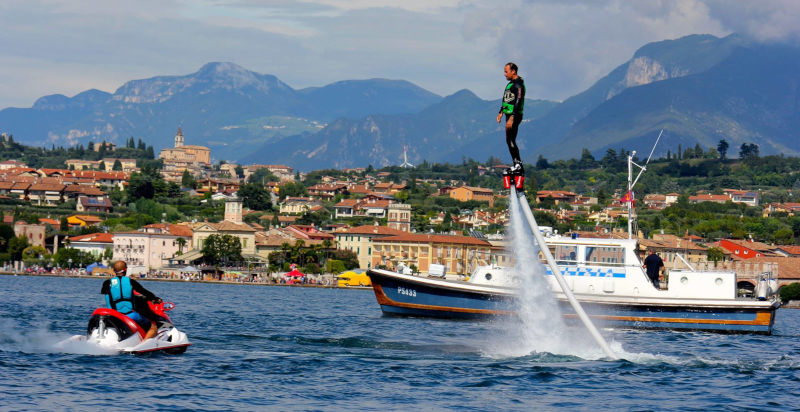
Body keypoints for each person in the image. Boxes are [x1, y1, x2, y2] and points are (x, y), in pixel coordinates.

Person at [100, 260, 162, 340]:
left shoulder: (107, 283)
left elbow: (107, 295)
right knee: (153, 326)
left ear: (114, 270)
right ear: (125, 270)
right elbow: (144, 292)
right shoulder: (131, 282)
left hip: (114, 316)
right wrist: (155, 298)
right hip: (131, 315)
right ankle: (143, 345)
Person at [496, 62, 526, 173]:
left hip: (515, 115)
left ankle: (518, 165)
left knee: (511, 139)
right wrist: (501, 112)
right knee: (509, 140)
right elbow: (507, 99)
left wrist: (512, 117)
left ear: (513, 71)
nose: (504, 74)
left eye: (506, 71)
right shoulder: (511, 84)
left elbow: (517, 101)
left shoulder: (518, 84)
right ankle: (517, 164)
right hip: (509, 114)